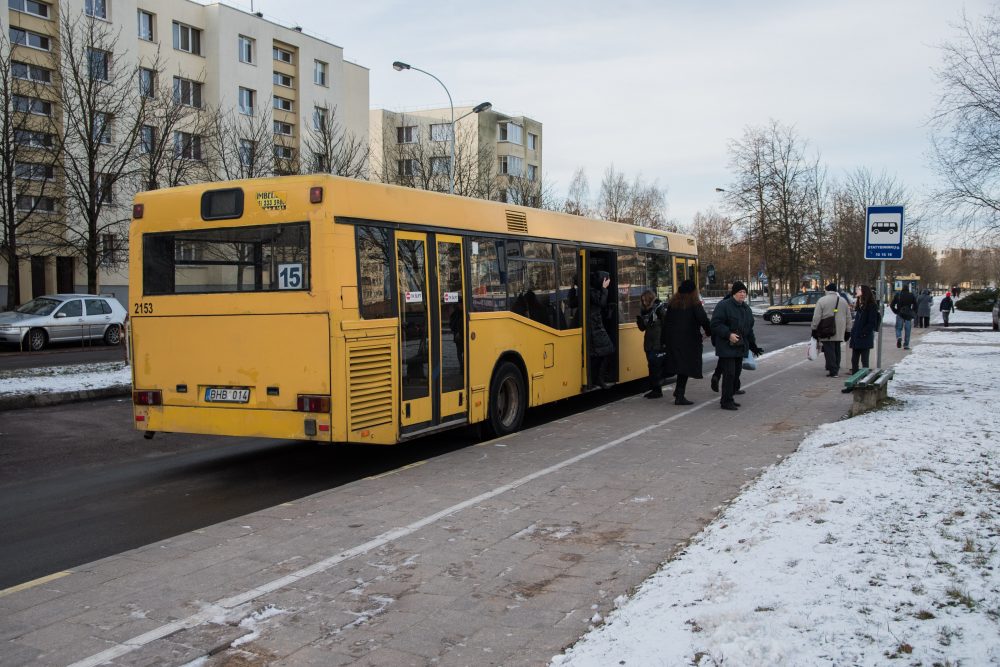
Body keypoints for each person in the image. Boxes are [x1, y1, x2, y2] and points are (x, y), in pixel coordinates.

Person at [710, 281, 762, 411]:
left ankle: (729, 398)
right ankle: (726, 401)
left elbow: (749, 330)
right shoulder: (724, 306)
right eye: (740, 292)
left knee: (736, 373)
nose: (742, 294)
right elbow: (715, 324)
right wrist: (728, 334)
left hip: (740, 347)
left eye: (744, 292)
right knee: (729, 374)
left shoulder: (746, 309)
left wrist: (753, 346)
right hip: (727, 346)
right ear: (734, 293)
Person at [662, 279, 711, 405]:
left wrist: (664, 340)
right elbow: (703, 319)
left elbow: (666, 322)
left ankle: (678, 391)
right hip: (689, 341)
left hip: (673, 340)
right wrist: (709, 331)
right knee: (685, 367)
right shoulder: (694, 303)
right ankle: (679, 395)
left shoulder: (673, 303)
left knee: (680, 366)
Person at [811, 283, 852, 377]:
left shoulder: (822, 300)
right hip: (840, 330)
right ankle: (836, 367)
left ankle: (833, 371)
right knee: (837, 349)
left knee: (829, 350)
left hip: (826, 329)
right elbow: (848, 317)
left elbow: (816, 317)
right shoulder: (843, 301)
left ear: (827, 290)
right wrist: (848, 330)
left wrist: (814, 328)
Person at [636, 290, 667, 398]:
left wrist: (665, 342)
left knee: (655, 366)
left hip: (658, 343)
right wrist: (639, 320)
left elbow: (666, 324)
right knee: (651, 366)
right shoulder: (644, 311)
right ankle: (655, 389)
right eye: (642, 300)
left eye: (645, 300)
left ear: (650, 298)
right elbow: (642, 328)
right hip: (649, 343)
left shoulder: (659, 308)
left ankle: (657, 390)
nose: (644, 302)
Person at [587, 271, 615, 389]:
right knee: (608, 349)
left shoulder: (591, 290)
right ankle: (598, 379)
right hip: (595, 327)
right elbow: (601, 303)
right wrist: (604, 288)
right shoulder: (592, 291)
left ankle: (595, 379)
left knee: (598, 354)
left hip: (595, 326)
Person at [848, 284, 880, 374]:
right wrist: (853, 333)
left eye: (858, 289)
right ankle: (854, 379)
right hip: (856, 337)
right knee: (854, 360)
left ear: (864, 292)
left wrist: (863, 333)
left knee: (864, 361)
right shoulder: (859, 304)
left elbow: (872, 323)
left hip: (864, 337)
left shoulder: (871, 306)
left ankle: (863, 379)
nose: (856, 291)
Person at [890, 285, 917, 349]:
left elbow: (892, 305)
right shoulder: (911, 295)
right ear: (908, 289)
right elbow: (915, 305)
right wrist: (913, 312)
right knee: (908, 330)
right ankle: (906, 344)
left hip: (900, 313)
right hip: (908, 314)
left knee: (898, 328)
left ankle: (899, 337)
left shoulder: (898, 295)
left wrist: (896, 311)